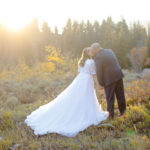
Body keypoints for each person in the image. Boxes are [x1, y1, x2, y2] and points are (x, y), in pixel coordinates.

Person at [24, 47, 108, 138]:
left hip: (79, 80)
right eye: (89, 51)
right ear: (87, 53)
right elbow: (94, 74)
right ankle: (83, 113)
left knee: (77, 97)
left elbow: (80, 72)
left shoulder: (80, 62)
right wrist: (99, 84)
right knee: (86, 97)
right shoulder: (91, 62)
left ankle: (79, 109)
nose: (91, 52)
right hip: (86, 81)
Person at [90, 43, 126, 119]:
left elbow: (99, 71)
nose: (93, 52)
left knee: (110, 98)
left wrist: (100, 83)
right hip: (118, 75)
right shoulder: (110, 51)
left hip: (109, 79)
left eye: (93, 50)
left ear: (96, 49)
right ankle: (123, 113)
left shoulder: (98, 57)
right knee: (121, 96)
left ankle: (110, 116)